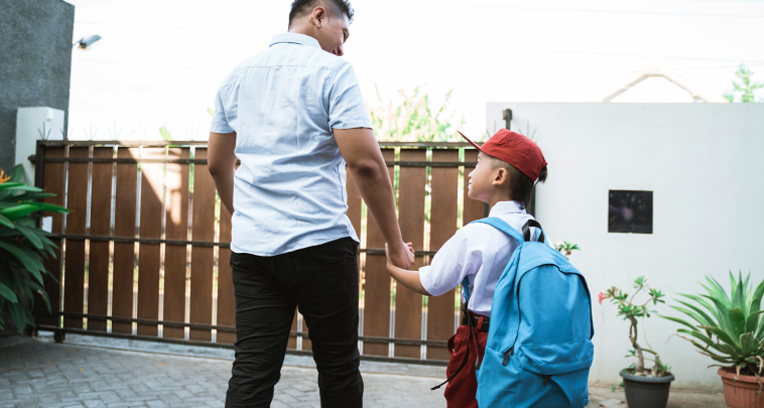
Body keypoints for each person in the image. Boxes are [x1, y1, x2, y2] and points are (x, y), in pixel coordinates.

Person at [206, 1, 415, 407]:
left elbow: (217, 165)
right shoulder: (332, 72)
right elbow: (366, 165)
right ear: (318, 15)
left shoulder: (236, 76)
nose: (342, 49)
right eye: (343, 34)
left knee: (251, 369)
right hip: (318, 244)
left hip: (251, 249)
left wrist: (245, 216)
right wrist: (393, 242)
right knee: (337, 366)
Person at [385, 129, 548, 408]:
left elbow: (432, 283)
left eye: (477, 163)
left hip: (482, 342)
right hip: (525, 339)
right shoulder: (538, 233)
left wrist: (391, 266)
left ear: (499, 176)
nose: (471, 172)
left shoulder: (476, 235)